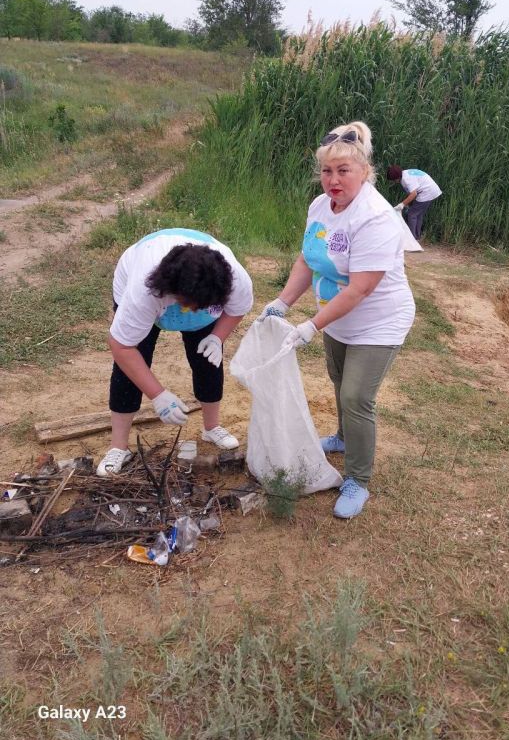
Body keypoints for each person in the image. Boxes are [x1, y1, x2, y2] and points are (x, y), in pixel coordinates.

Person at [257, 121, 415, 519]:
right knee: (339, 380)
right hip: (338, 316)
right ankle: (344, 438)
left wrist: (312, 324)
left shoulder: (376, 217)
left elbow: (360, 288)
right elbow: (307, 258)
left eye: (344, 170)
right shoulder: (319, 206)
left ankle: (357, 480)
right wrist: (282, 302)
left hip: (379, 320)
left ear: (365, 171)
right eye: (327, 171)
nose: (333, 180)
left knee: (356, 396)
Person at [96, 227, 253, 476]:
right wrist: (158, 395)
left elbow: (237, 309)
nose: (193, 310)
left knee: (207, 359)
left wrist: (216, 337)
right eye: (190, 304)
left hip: (200, 295)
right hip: (150, 292)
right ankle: (119, 447)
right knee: (132, 367)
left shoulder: (234, 279)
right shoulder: (143, 291)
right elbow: (121, 346)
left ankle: (211, 427)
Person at [386, 165, 442, 240]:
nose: (394, 182)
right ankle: (417, 237)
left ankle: (412, 238)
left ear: (397, 177)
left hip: (426, 192)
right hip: (431, 190)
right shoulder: (405, 173)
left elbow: (414, 194)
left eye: (393, 180)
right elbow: (412, 192)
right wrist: (408, 204)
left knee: (412, 215)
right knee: (418, 214)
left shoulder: (406, 179)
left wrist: (402, 204)